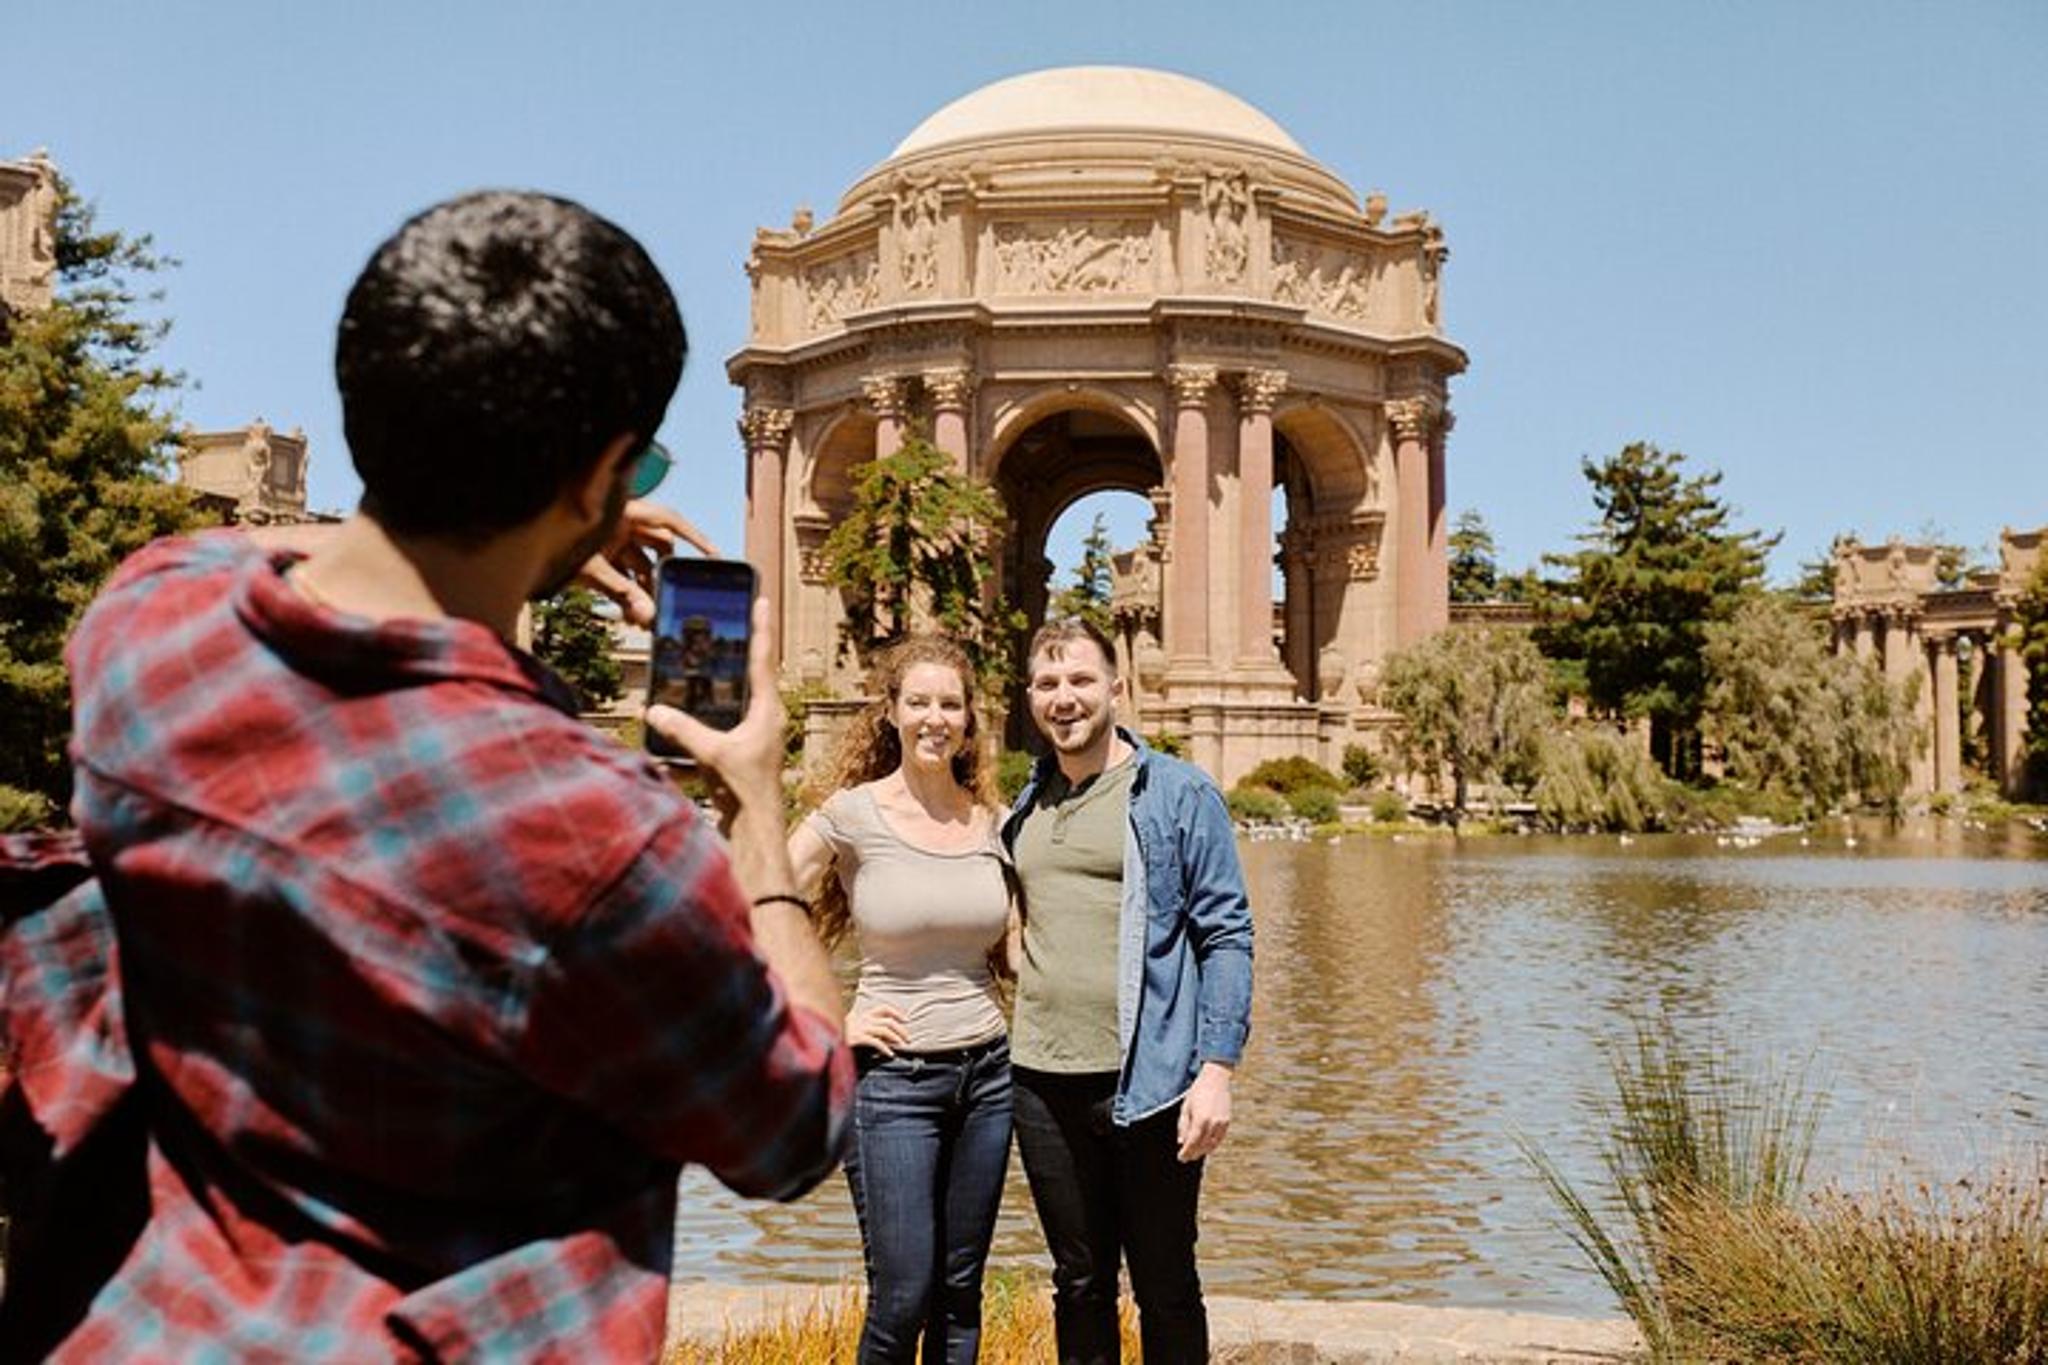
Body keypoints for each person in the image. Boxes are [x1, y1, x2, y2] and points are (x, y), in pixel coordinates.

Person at [17, 190, 852, 1360]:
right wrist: (758, 819)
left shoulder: (148, 636)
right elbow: (793, 1129)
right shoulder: (605, 835)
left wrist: (538, 524)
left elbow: (217, 557)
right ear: (601, 475)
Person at [1003, 617, 1254, 1365]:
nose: (1064, 698)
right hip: (1041, 1079)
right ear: (1031, 697)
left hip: (1150, 1084)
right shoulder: (1029, 800)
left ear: (1118, 687)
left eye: (1081, 680)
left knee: (1165, 1283)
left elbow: (1227, 934)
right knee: (1079, 1281)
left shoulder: (1176, 792)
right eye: (1048, 684)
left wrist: (1217, 1069)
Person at [786, 636, 1014, 1365]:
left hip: (988, 1075)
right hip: (891, 1081)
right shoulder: (852, 815)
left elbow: (1017, 951)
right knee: (903, 1294)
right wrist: (824, 1016)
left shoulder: (992, 820)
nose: (935, 718)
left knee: (958, 1292)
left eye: (951, 703)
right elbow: (750, 900)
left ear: (970, 720)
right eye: (918, 702)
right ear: (890, 712)